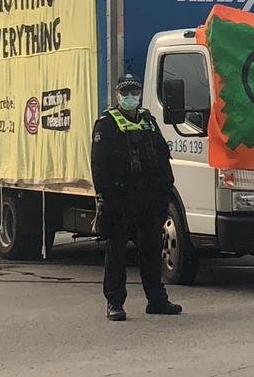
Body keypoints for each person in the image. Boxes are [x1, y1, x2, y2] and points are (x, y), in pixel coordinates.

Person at [91, 74, 182, 321]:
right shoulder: (107, 124)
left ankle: (157, 300)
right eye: (125, 93)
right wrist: (107, 198)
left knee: (152, 250)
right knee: (117, 251)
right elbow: (99, 165)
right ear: (118, 96)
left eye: (134, 92)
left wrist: (166, 190)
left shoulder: (148, 121)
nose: (130, 97)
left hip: (150, 197)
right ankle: (114, 302)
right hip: (121, 198)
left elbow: (163, 155)